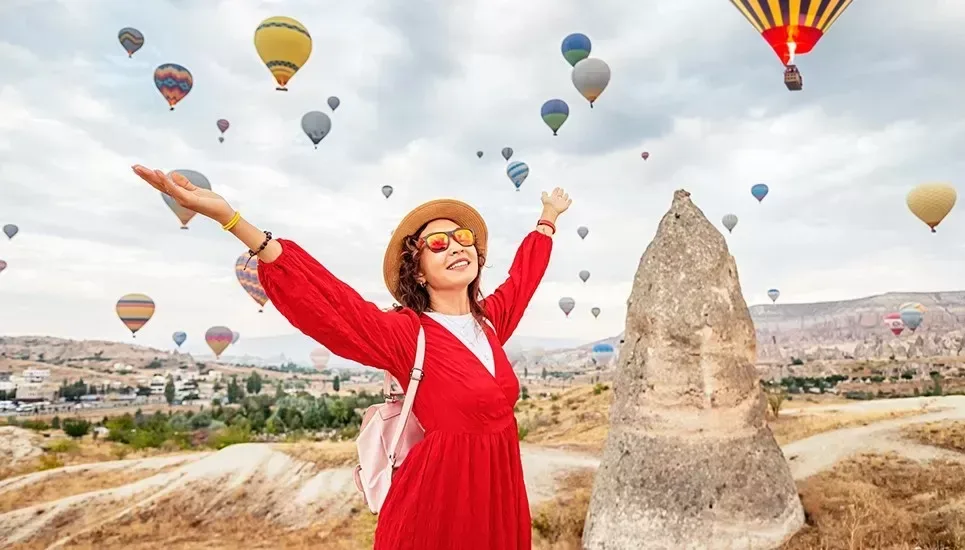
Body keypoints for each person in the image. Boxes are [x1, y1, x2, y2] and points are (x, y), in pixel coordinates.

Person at [132, 164, 571, 549]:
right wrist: (231, 219)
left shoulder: (491, 322)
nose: (456, 246)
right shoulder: (406, 334)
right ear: (417, 271)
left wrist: (548, 218)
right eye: (437, 243)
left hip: (499, 493)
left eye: (463, 238)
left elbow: (524, 277)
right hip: (438, 504)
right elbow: (332, 302)